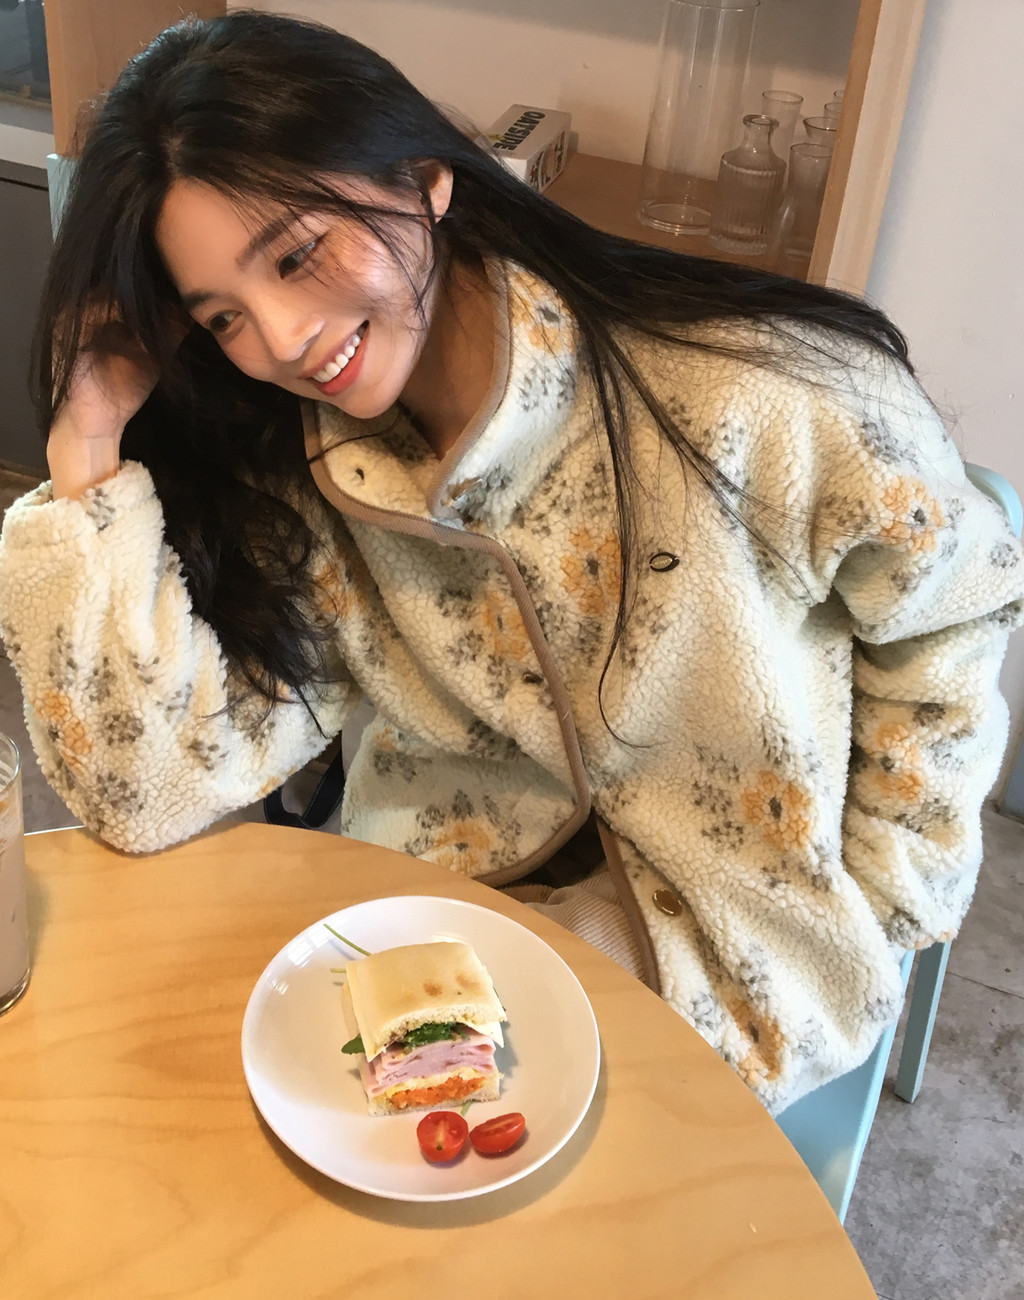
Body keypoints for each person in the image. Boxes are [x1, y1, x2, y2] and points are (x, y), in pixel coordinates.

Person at [0, 10, 1020, 1114]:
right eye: (222, 318)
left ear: (424, 178)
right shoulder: (304, 480)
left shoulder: (751, 394)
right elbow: (147, 792)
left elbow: (957, 600)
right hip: (428, 956)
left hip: (732, 990)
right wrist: (86, 447)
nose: (284, 338)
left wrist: (891, 898)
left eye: (297, 254)